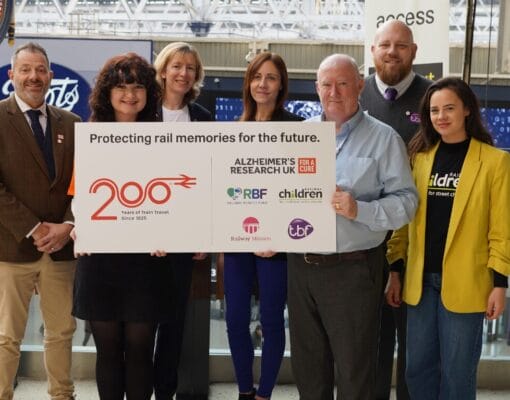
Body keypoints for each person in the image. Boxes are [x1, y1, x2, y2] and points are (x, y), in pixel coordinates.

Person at [287, 54, 418, 400]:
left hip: (354, 270)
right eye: (326, 84)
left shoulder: (384, 139)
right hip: (300, 268)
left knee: (354, 373)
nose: (334, 92)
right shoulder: (299, 136)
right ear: (317, 89)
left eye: (343, 83)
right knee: (308, 370)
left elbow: (407, 203)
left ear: (360, 85)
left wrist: (359, 208)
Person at [386, 77, 510, 400]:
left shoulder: (495, 162)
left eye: (449, 108)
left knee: (457, 376)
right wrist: (395, 270)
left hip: (467, 282)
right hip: (419, 282)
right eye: (434, 110)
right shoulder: (419, 158)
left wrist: (500, 283)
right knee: (416, 370)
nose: (441, 116)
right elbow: (404, 220)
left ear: (467, 110)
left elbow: (502, 229)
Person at [71, 52, 171, 400]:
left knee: (142, 351)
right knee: (109, 352)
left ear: (149, 93)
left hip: (147, 258)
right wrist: (81, 227)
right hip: (100, 256)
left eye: (139, 86)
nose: (131, 94)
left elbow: (171, 196)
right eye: (122, 86)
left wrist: (166, 231)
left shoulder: (163, 140)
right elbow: (80, 194)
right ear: (107, 92)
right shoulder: (89, 136)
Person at [0, 42, 79, 400]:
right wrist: (35, 228)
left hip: (61, 250)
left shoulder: (73, 124)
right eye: (26, 70)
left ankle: (62, 395)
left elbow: (88, 184)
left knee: (61, 332)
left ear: (50, 75)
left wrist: (67, 226)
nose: (34, 77)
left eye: (41, 70)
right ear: (12, 75)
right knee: (6, 336)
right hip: (12, 247)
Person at [359, 19, 432, 400]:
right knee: (370, 344)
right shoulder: (356, 95)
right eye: (384, 44)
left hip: (416, 238)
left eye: (401, 46)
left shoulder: (433, 98)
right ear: (372, 51)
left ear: (414, 52)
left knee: (413, 348)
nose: (392, 52)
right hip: (362, 239)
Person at [224, 51, 303, 400]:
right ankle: (244, 390)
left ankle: (264, 394)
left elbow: (303, 190)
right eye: (257, 77)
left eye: (271, 77)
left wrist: (280, 237)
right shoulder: (234, 131)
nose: (263, 84)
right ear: (248, 83)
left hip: (277, 245)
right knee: (235, 320)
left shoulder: (298, 129)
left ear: (281, 84)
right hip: (238, 240)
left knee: (272, 321)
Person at [152, 41, 212, 400]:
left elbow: (208, 177)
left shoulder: (203, 117)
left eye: (190, 68)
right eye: (176, 66)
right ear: (162, 70)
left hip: (182, 236)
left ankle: (165, 392)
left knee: (173, 323)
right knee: (142, 324)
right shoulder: (142, 111)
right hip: (142, 232)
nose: (183, 73)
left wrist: (204, 233)